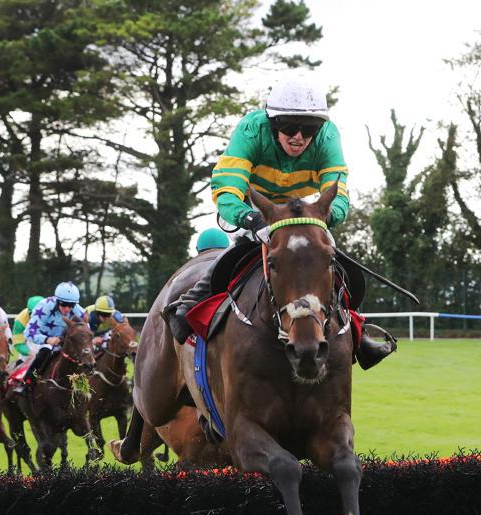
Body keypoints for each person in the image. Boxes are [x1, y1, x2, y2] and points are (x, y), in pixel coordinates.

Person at [165, 74, 395, 368]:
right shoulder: (251, 130)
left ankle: (357, 329)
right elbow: (227, 188)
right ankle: (189, 304)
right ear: (272, 123)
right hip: (257, 205)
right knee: (238, 250)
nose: (298, 137)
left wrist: (324, 216)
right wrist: (248, 218)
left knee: (329, 255)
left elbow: (338, 193)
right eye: (288, 127)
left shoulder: (328, 136)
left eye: (309, 128)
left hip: (302, 208)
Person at [19, 282, 85, 390]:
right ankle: (26, 384)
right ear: (57, 301)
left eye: (71, 305)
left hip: (64, 343)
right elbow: (28, 333)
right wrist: (47, 339)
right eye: (64, 304)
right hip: (40, 342)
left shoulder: (79, 311)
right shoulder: (44, 306)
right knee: (45, 352)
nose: (67, 309)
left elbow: (86, 333)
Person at [12, 295, 44, 362]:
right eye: (34, 314)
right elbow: (18, 343)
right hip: (29, 349)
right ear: (29, 312)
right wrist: (29, 353)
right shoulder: (20, 321)